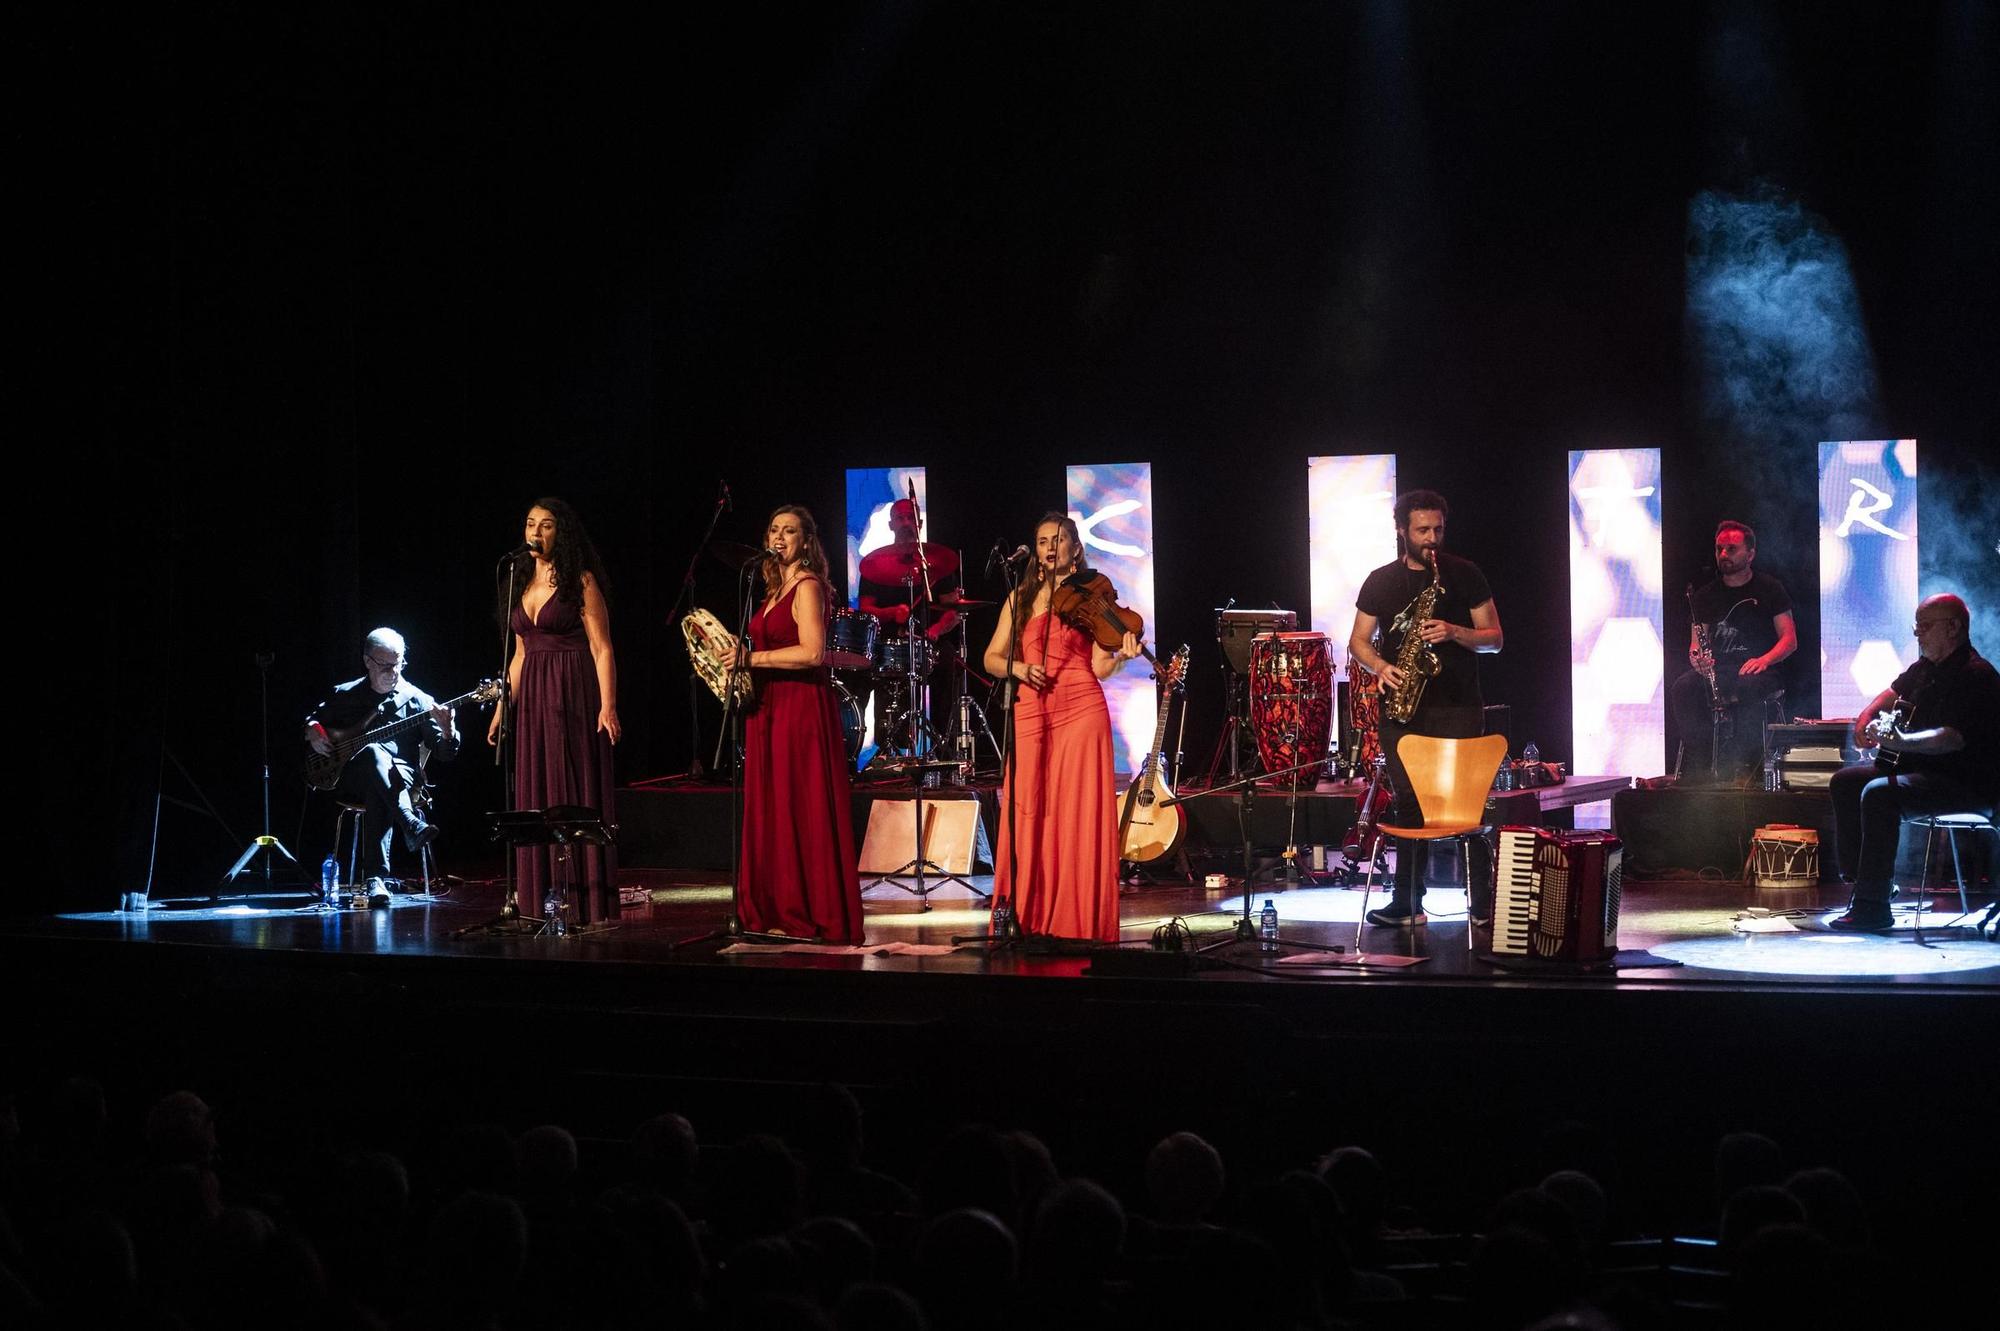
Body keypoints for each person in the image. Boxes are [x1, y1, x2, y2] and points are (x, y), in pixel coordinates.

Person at [982, 512, 1142, 942]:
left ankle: (1074, 919)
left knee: (1074, 815)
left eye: (1059, 540)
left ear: (1075, 548)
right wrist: (1018, 667)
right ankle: (1029, 915)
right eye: (1041, 541)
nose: (1050, 547)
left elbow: (1099, 668)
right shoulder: (1019, 598)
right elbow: (991, 659)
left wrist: (1121, 655)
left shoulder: (1089, 596)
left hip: (1081, 710)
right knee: (1030, 810)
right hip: (1033, 710)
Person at [1346, 490, 1504, 928]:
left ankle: (1483, 903)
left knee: (1467, 807)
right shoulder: (1380, 580)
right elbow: (1357, 641)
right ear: (1401, 530)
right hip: (1403, 710)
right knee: (1408, 806)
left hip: (1458, 708)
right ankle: (1407, 902)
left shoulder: (1465, 575)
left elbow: (1494, 638)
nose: (1431, 538)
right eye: (1422, 530)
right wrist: (1380, 666)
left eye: (1437, 529)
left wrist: (1454, 631)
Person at [715, 504, 864, 941]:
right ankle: (774, 906)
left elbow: (813, 653)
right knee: (773, 806)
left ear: (806, 542)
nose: (779, 537)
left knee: (800, 805)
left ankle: (807, 907)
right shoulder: (770, 591)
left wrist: (752, 658)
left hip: (799, 708)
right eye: (774, 529)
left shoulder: (808, 586)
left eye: (790, 531)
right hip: (767, 708)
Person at [1826, 594, 2000, 932]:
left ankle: (1872, 907)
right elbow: (1891, 692)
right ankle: (1867, 880)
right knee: (1846, 782)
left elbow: (1952, 737)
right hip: (1925, 774)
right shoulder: (1925, 669)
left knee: (1880, 794)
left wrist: (1902, 742)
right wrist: (1865, 718)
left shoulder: (1976, 675)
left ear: (1953, 628)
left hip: (1964, 782)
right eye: (1916, 626)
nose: (1917, 633)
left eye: (1925, 626)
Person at [487, 498, 621, 923]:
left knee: (570, 788)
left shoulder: (579, 580)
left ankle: (584, 900)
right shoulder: (518, 578)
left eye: (546, 525)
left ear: (560, 533)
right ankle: (539, 900)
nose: (536, 532)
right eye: (530, 523)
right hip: (534, 700)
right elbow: (520, 654)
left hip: (571, 689)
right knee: (538, 790)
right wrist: (503, 707)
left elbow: (602, 648)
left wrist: (609, 706)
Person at [305, 627, 460, 899]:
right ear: (367, 661)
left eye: (398, 663)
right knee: (373, 755)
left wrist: (448, 732)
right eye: (385, 666)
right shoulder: (346, 693)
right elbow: (314, 720)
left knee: (380, 783)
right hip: (348, 778)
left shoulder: (417, 699)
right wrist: (313, 730)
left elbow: (445, 753)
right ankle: (409, 825)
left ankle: (376, 878)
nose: (393, 672)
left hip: (402, 777)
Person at [1668, 521, 1798, 782]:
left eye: (1731, 549)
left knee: (1749, 689)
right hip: (1720, 670)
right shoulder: (1705, 595)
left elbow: (1789, 640)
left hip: (1761, 669)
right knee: (1683, 688)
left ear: (1750, 554)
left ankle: (1748, 768)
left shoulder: (1770, 588)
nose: (1723, 555)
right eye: (1719, 549)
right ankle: (1701, 766)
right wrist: (1698, 661)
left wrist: (1765, 660)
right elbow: (1696, 644)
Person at [856, 497, 961, 760]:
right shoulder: (875, 564)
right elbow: (866, 607)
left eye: (910, 518)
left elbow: (954, 610)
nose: (906, 523)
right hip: (889, 642)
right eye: (900, 518)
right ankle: (887, 748)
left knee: (949, 663)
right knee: (868, 671)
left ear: (920, 523)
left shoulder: (936, 563)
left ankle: (942, 748)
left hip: (930, 642)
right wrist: (891, 613)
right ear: (891, 524)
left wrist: (936, 630)